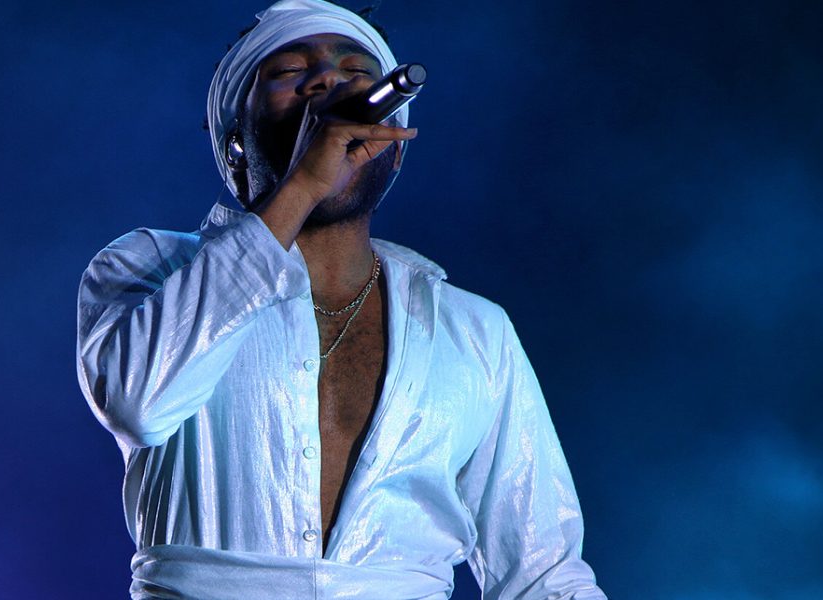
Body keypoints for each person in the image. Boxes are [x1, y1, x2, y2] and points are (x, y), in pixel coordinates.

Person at [75, 1, 607, 597]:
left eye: (355, 72)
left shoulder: (475, 332)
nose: (328, 81)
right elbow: (137, 403)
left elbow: (543, 575)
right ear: (234, 146)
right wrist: (301, 183)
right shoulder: (146, 267)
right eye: (289, 72)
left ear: (392, 147)